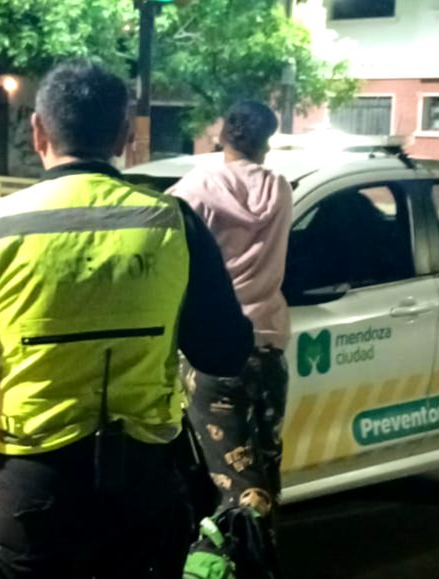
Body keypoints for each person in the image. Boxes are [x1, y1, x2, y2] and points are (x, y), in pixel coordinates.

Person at [0, 60, 253, 579]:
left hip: (27, 488)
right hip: (142, 492)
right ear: (123, 135)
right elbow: (225, 352)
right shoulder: (174, 224)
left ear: (38, 131)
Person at [170, 100, 292, 560]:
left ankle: (232, 567)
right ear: (266, 142)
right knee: (265, 474)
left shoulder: (197, 189)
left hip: (215, 351)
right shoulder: (279, 189)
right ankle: (265, 561)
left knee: (232, 485)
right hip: (269, 348)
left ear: (222, 135)